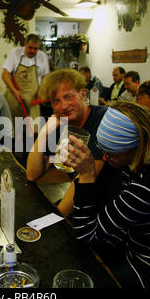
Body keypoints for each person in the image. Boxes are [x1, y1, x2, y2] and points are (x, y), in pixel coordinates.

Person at [68, 101, 150, 288]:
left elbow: (86, 234)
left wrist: (87, 175)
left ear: (137, 147)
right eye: (103, 151)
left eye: (113, 154)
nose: (106, 159)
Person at [26, 68, 122, 217]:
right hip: (84, 200)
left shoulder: (104, 120)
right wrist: (43, 134)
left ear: (82, 94)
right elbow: (32, 174)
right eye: (57, 101)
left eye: (68, 97)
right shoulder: (61, 123)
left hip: (110, 208)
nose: (63, 106)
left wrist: (52, 221)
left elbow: (87, 176)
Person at [2, 33, 50, 120]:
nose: (32, 51)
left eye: (35, 49)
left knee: (32, 128)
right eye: (30, 47)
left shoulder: (42, 56)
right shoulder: (15, 54)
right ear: (25, 45)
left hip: (33, 100)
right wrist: (14, 91)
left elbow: (45, 78)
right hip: (15, 98)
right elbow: (5, 75)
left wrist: (41, 92)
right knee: (15, 127)